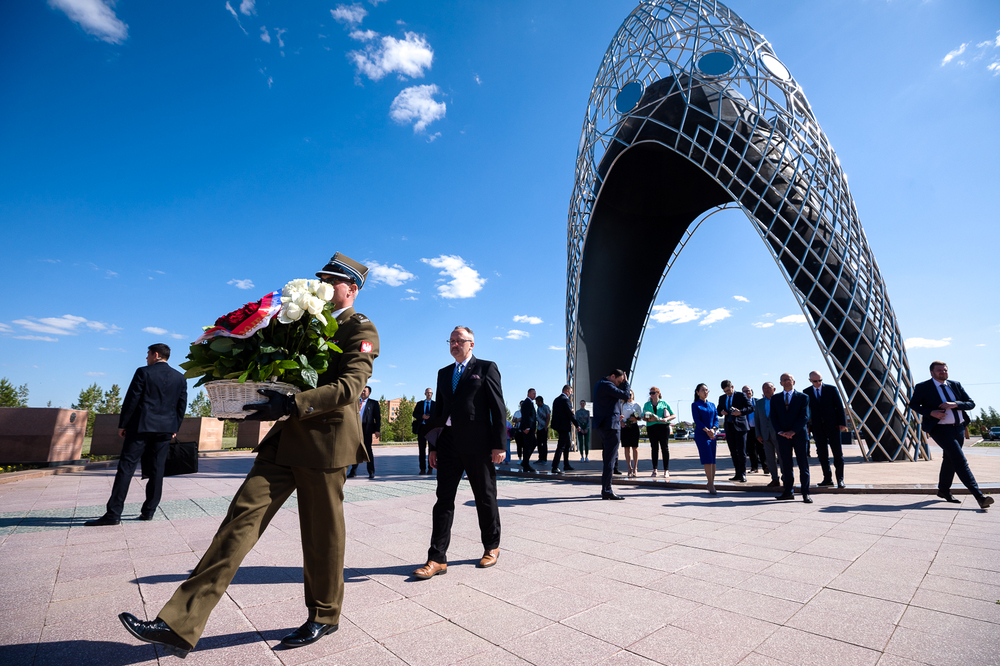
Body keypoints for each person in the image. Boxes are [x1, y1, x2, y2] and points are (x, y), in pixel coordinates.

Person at [117, 252, 378, 657]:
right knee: (238, 522)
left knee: (322, 537)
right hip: (284, 442)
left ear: (352, 289)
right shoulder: (303, 322)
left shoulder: (360, 328)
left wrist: (293, 404)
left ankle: (324, 616)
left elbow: (349, 386)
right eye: (321, 279)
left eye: (333, 281)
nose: (325, 286)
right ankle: (178, 622)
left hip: (326, 445)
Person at [412, 326, 507, 579]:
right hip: (449, 444)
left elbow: (498, 408)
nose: (454, 344)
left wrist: (500, 445)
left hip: (479, 444)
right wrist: (434, 446)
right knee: (443, 499)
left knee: (485, 497)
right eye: (451, 341)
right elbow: (438, 414)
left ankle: (491, 546)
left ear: (471, 344)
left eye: (459, 340)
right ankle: (437, 558)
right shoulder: (444, 373)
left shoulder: (486, 368)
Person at [85, 343, 187, 527]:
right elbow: (181, 405)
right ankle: (148, 512)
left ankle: (113, 514)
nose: (146, 358)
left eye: (148, 354)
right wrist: (175, 428)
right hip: (165, 430)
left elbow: (132, 399)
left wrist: (123, 424)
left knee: (126, 468)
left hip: (141, 427)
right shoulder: (180, 378)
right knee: (157, 470)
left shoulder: (143, 372)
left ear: (156, 355)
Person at [909, 361, 994, 510]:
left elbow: (970, 403)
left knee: (949, 460)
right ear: (932, 373)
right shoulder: (923, 387)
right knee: (960, 460)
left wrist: (955, 404)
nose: (943, 372)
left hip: (959, 428)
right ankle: (979, 496)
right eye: (940, 370)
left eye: (945, 370)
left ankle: (943, 491)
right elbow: (914, 405)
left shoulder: (955, 385)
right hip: (940, 429)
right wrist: (931, 412)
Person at [771, 373, 812, 503]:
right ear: (780, 383)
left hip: (799, 435)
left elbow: (804, 417)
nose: (786, 381)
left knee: (803, 464)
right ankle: (788, 491)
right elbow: (773, 417)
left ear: (793, 382)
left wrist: (793, 431)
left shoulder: (803, 397)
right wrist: (781, 432)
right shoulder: (775, 398)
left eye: (788, 379)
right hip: (783, 437)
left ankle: (805, 493)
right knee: (786, 465)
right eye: (783, 380)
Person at [592, 369, 631, 500]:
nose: (619, 384)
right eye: (619, 381)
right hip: (610, 427)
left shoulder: (600, 384)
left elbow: (606, 404)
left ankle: (606, 488)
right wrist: (626, 382)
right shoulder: (607, 384)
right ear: (613, 376)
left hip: (604, 425)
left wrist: (615, 415)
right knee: (610, 459)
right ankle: (607, 490)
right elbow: (626, 395)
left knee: (608, 458)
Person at [806, 371, 848, 488]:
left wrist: (842, 423)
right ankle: (827, 478)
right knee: (822, 454)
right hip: (817, 427)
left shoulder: (831, 389)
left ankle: (840, 479)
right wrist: (807, 426)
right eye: (815, 381)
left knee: (838, 453)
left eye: (820, 380)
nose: (818, 383)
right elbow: (805, 412)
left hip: (833, 426)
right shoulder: (806, 393)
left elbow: (839, 406)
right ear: (810, 381)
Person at [717, 380, 753, 482]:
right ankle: (737, 473)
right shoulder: (722, 398)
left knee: (741, 452)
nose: (727, 393)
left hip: (740, 427)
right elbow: (718, 410)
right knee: (733, 452)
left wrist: (740, 412)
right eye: (725, 391)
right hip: (729, 427)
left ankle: (743, 474)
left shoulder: (741, 395)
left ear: (732, 386)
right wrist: (721, 412)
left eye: (728, 390)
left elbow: (751, 408)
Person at [692, 383, 720, 495]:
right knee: (707, 459)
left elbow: (716, 419)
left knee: (713, 459)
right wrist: (706, 430)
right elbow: (697, 420)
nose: (705, 392)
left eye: (707, 390)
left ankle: (711, 482)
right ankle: (711, 483)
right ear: (697, 392)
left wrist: (713, 429)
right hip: (702, 435)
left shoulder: (712, 405)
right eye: (703, 390)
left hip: (712, 434)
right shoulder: (695, 405)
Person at [348, 386, 380, 479]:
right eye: (361, 391)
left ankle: (371, 471)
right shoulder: (355, 402)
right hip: (355, 430)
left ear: (369, 393)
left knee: (368, 450)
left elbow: (377, 418)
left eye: (365, 391)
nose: (362, 392)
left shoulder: (373, 403)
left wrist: (377, 430)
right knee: (355, 450)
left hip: (367, 430)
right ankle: (353, 471)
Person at [754, 382, 781, 488]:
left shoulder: (779, 400)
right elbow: (757, 420)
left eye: (768, 388)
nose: (766, 390)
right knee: (770, 458)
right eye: (763, 388)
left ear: (774, 389)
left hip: (778, 434)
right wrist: (758, 434)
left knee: (782, 458)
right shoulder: (759, 403)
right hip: (765, 435)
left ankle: (785, 478)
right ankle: (774, 478)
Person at [643, 386, 675, 478]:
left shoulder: (664, 403)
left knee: (664, 448)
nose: (651, 395)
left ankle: (666, 470)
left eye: (653, 393)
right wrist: (648, 418)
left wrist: (666, 419)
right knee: (654, 448)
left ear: (658, 393)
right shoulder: (647, 404)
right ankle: (654, 470)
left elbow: (673, 415)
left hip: (663, 427)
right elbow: (643, 416)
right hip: (652, 427)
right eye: (650, 393)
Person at [550, 384, 579, 474]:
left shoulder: (556, 400)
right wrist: (577, 425)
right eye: (570, 392)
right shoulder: (566, 400)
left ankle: (566, 464)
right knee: (561, 447)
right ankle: (555, 466)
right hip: (564, 426)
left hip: (558, 426)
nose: (570, 394)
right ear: (567, 391)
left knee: (567, 446)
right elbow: (570, 414)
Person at [743, 385, 767, 476]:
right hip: (747, 429)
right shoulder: (742, 403)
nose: (747, 392)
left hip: (758, 428)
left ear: (752, 392)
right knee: (751, 449)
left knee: (762, 448)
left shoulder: (758, 401)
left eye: (749, 391)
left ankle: (766, 467)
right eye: (745, 391)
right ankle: (754, 467)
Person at [412, 388, 435, 474]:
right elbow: (414, 414)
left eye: (430, 393)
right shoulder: (420, 404)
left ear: (432, 394)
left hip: (431, 429)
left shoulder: (435, 404)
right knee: (421, 449)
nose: (429, 394)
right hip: (421, 428)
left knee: (431, 449)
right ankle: (422, 468)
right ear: (425, 394)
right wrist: (422, 416)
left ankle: (430, 468)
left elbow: (437, 415)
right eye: (427, 393)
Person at [620, 390, 642, 477]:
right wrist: (621, 421)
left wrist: (636, 419)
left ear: (633, 395)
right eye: (627, 394)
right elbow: (619, 415)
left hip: (633, 427)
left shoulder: (637, 405)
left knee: (634, 448)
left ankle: (635, 468)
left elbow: (640, 416)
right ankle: (629, 468)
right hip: (625, 427)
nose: (629, 396)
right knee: (626, 448)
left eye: (630, 394)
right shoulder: (622, 405)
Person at [519, 389, 537, 472]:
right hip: (527, 429)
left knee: (533, 443)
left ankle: (525, 461)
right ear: (529, 394)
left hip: (531, 428)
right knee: (528, 446)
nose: (535, 395)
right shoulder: (527, 403)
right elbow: (526, 416)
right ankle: (526, 464)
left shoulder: (530, 403)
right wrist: (527, 427)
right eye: (533, 393)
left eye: (535, 394)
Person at [535, 395, 551, 463]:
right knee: (539, 443)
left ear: (540, 401)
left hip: (544, 427)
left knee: (544, 443)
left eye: (537, 402)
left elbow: (548, 417)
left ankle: (544, 458)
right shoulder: (538, 408)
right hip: (539, 427)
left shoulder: (546, 407)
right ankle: (540, 458)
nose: (536, 403)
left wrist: (546, 426)